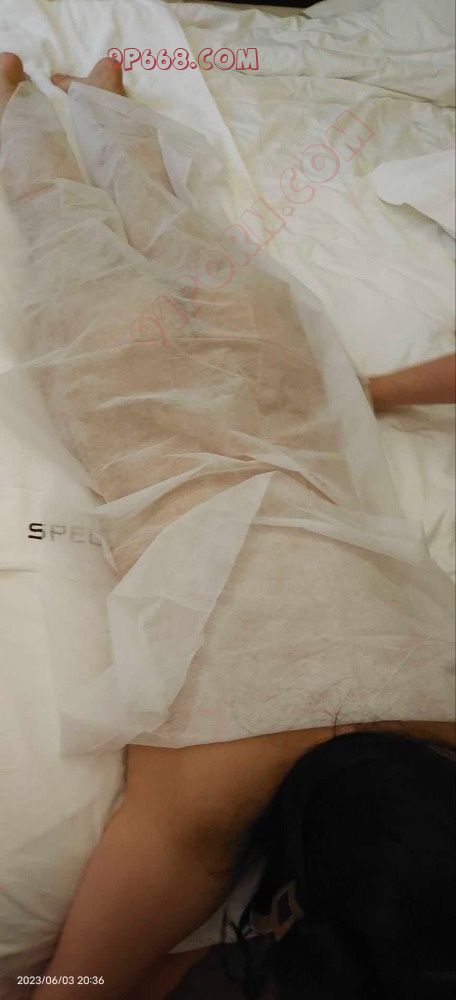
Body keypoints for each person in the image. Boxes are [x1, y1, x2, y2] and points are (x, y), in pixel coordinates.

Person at [0, 53, 454, 999]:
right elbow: (76, 989)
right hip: (139, 402)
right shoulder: (209, 793)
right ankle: (26, 97)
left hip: (286, 391)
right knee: (57, 215)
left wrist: (366, 392)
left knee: (168, 213)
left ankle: (96, 102)